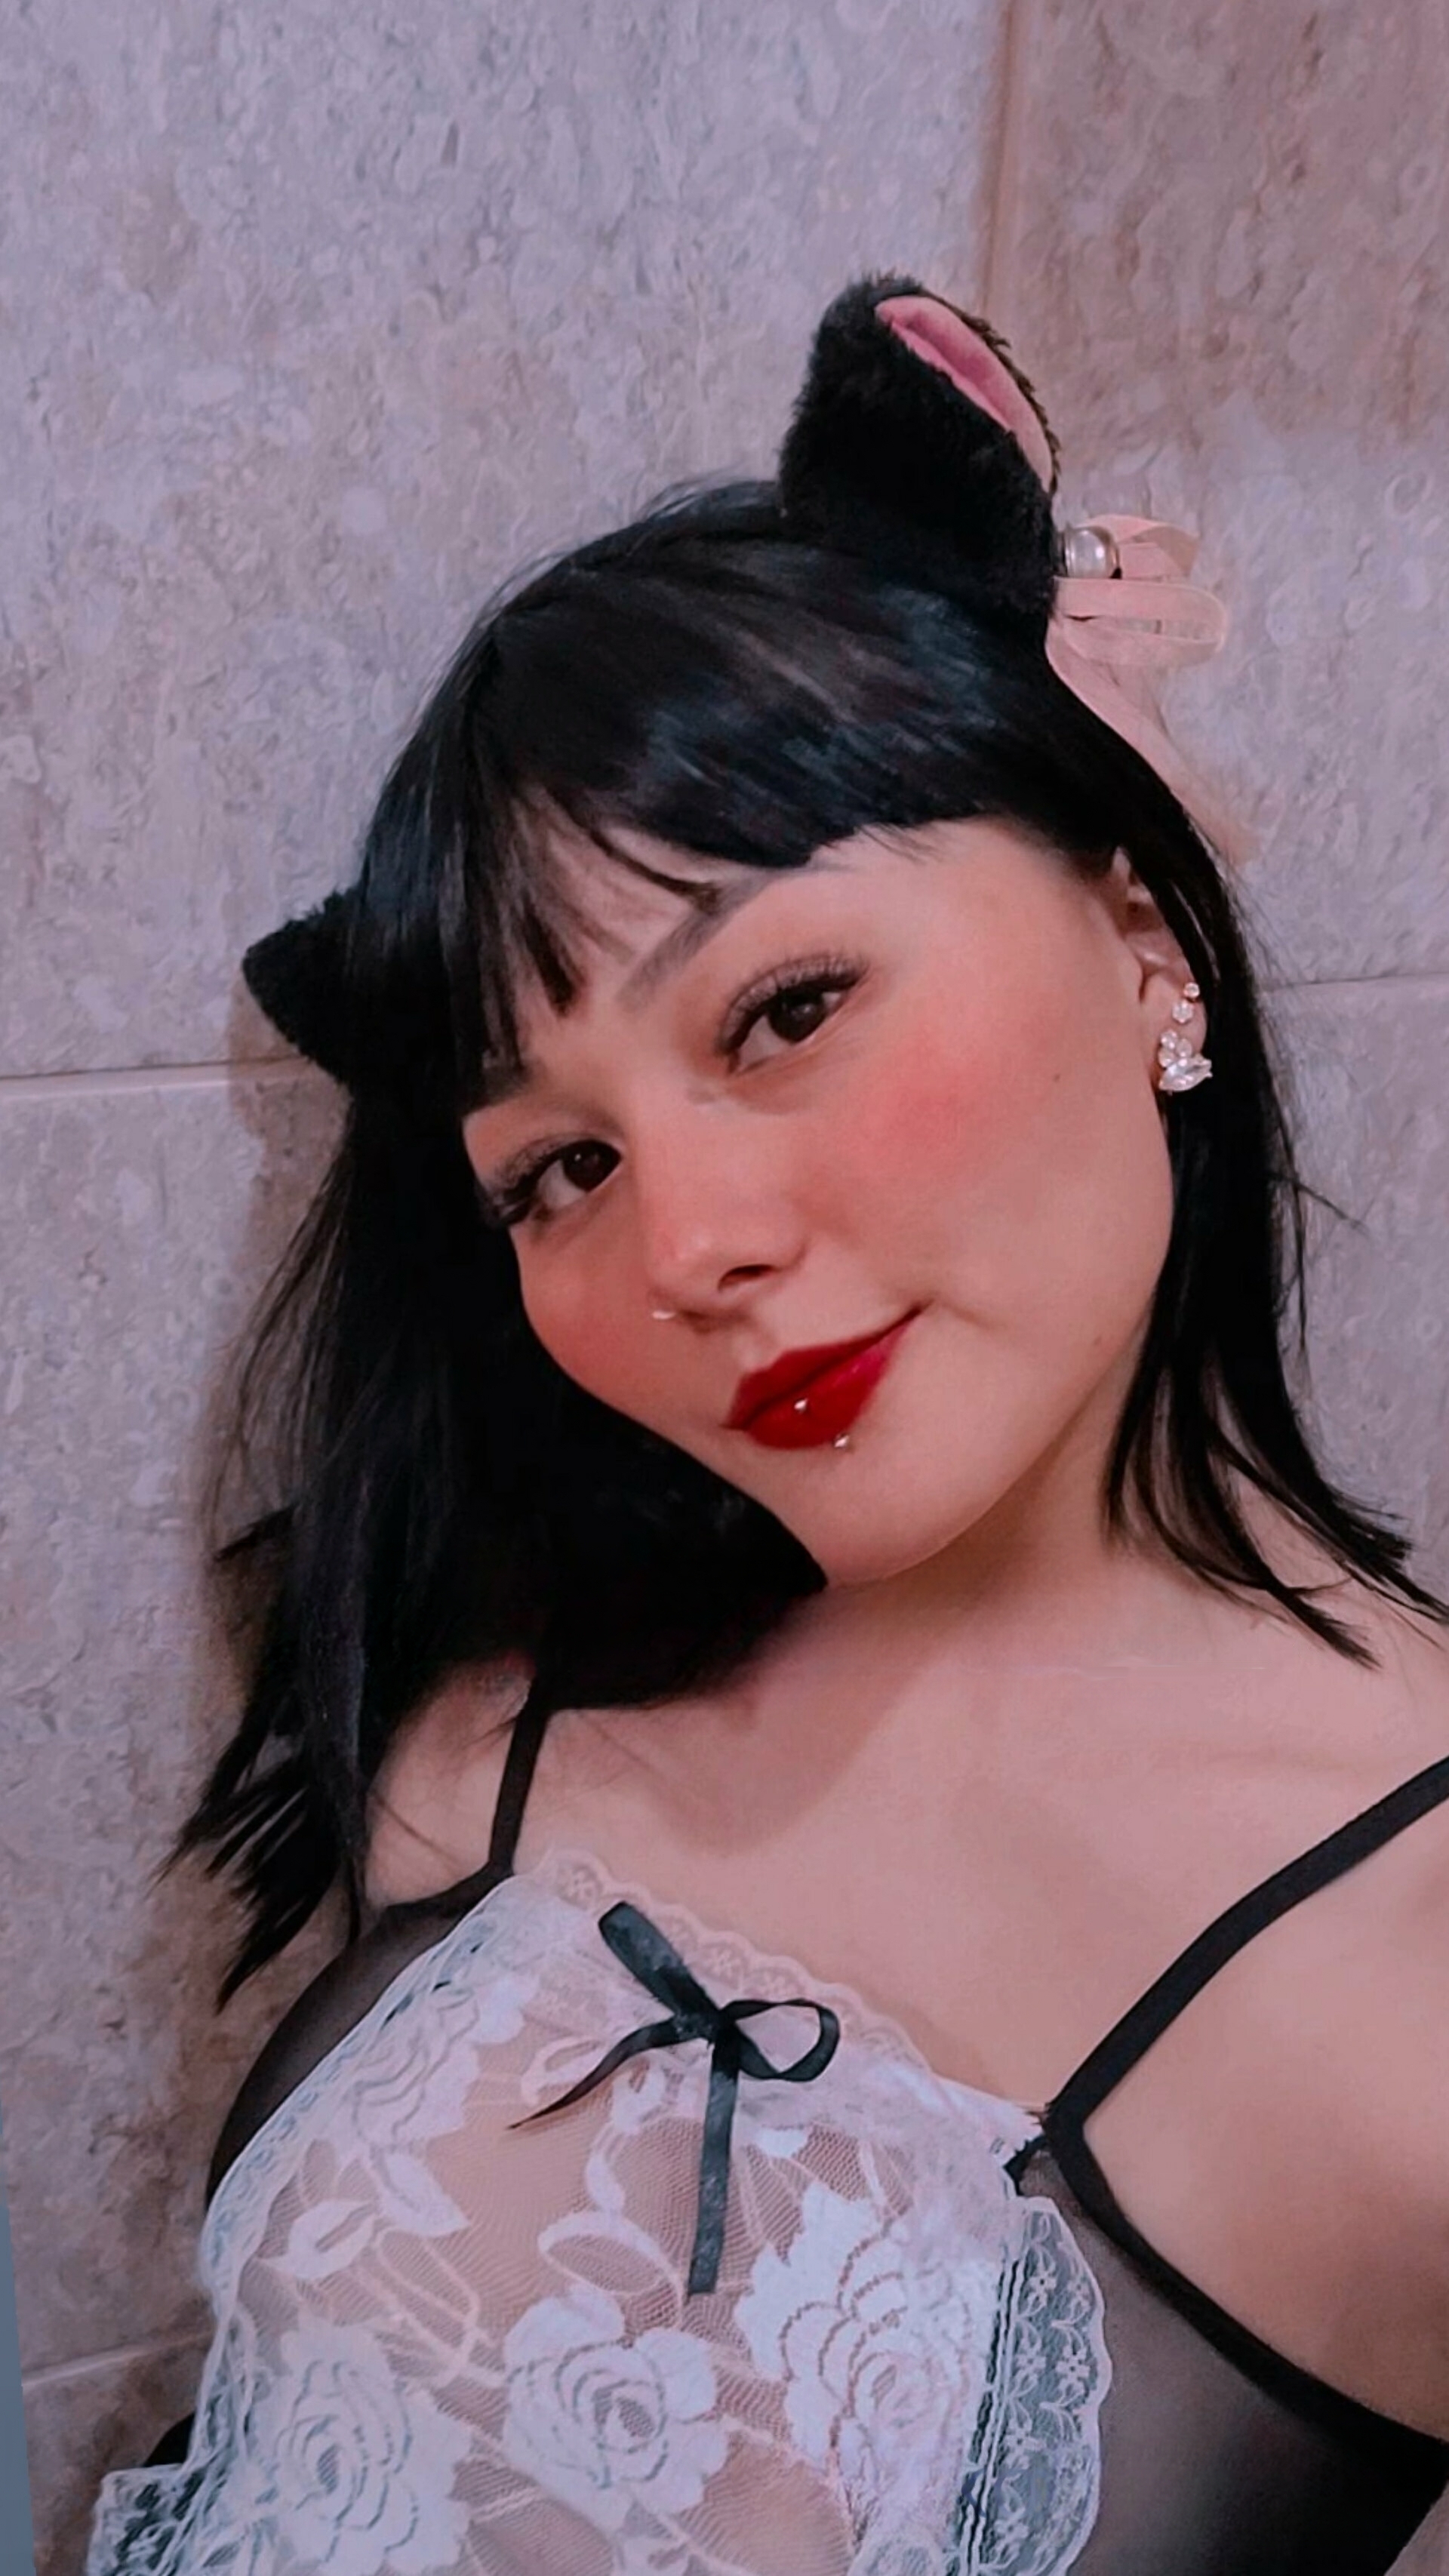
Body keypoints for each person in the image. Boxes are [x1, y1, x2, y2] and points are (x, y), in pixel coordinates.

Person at [85, 275, 1449, 2574]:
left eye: (787, 1008)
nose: (686, 1247)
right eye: (559, 1168)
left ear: (1147, 939)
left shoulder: (1415, 1983)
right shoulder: (496, 1734)